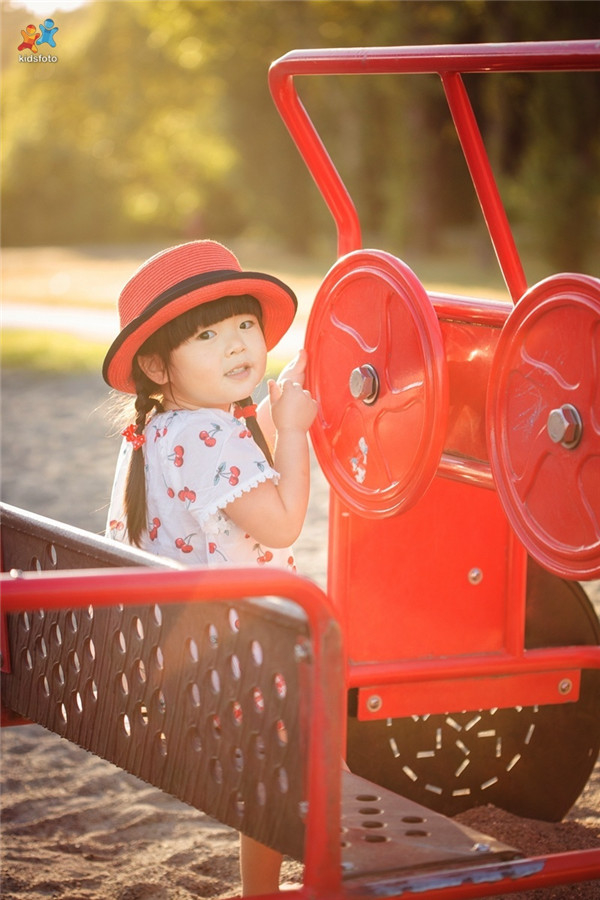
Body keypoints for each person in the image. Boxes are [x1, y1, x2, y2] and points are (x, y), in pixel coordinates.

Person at [102, 239, 317, 894]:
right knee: (306, 719)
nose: (236, 346)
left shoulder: (161, 430)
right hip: (227, 662)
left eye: (245, 325)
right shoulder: (209, 435)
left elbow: (241, 496)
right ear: (158, 366)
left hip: (166, 652)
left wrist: (279, 418)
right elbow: (281, 521)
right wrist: (298, 431)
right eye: (207, 333)